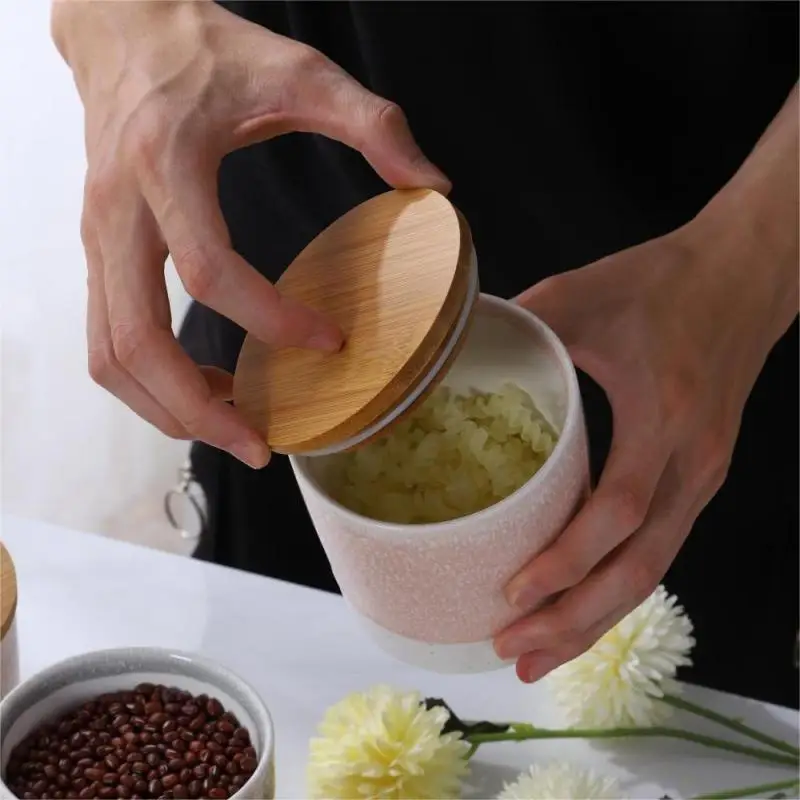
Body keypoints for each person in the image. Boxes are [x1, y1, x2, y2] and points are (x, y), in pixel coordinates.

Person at [52, 0, 798, 707]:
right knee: (290, 708)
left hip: (699, 327)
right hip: (287, 314)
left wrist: (749, 258)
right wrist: (126, 30)